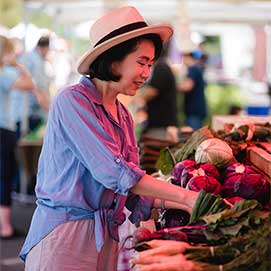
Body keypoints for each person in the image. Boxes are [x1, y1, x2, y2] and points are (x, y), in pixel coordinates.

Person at [20, 6, 199, 271]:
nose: (146, 73)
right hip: (65, 237)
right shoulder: (72, 101)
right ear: (113, 59)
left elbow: (135, 194)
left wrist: (199, 200)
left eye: (150, 64)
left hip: (106, 239)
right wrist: (186, 197)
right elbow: (114, 172)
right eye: (141, 62)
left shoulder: (124, 116)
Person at [0, 35, 35, 238]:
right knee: (5, 176)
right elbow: (30, 84)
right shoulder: (4, 74)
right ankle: (5, 227)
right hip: (3, 129)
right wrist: (18, 65)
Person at [140, 40, 179, 142]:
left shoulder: (161, 68)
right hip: (161, 125)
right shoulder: (161, 67)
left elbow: (150, 92)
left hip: (162, 127)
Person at [21, 35, 51, 132]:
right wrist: (50, 111)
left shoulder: (27, 56)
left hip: (20, 110)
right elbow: (39, 89)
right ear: (45, 48)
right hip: (30, 112)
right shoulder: (37, 62)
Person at [178, 46, 207, 130]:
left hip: (194, 110)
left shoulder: (193, 69)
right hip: (196, 109)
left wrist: (173, 87)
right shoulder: (196, 68)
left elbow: (188, 86)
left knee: (194, 137)